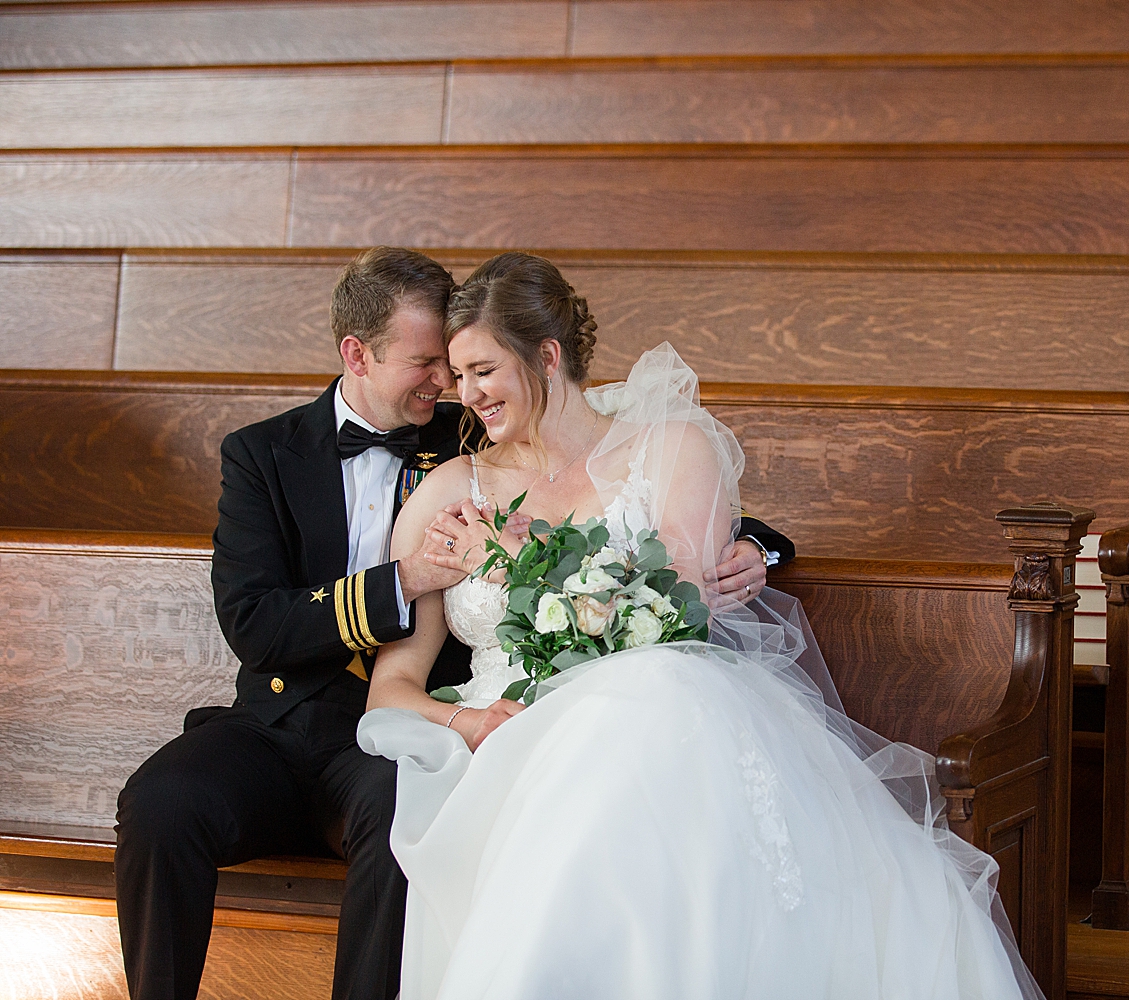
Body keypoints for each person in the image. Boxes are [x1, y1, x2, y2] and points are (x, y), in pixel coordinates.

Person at [359, 253, 1041, 1000]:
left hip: (656, 710)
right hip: (503, 737)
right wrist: (469, 721)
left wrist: (518, 559)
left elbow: (675, 618)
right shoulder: (450, 494)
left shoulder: (673, 450)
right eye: (458, 376)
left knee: (647, 715)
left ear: (547, 357)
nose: (465, 395)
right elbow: (390, 687)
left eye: (482, 371)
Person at [113, 246, 779, 1000]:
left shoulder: (472, 431)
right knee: (160, 803)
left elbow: (619, 487)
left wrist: (760, 544)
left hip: (404, 740)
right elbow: (255, 624)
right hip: (281, 722)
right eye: (428, 363)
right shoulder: (265, 455)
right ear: (356, 354)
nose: (449, 386)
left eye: (460, 368)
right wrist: (407, 580)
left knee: (409, 811)